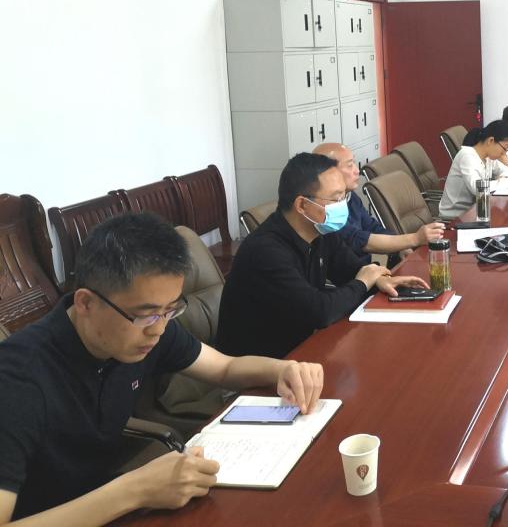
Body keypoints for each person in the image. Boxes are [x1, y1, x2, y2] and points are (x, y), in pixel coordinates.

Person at [0, 212, 325, 525]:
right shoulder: (17, 380)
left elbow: (224, 368)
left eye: (170, 310)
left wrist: (283, 370)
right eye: (147, 314)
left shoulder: (145, 330)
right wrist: (135, 490)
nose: (158, 329)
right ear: (85, 303)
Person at [217, 153, 428, 359]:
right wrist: (364, 282)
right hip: (257, 367)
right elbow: (320, 312)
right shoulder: (265, 251)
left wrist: (380, 281)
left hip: (301, 352)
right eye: (335, 199)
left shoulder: (321, 231)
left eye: (344, 196)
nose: (342, 205)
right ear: (302, 205)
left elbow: (352, 270)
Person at [312, 142, 444, 267]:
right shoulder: (324, 209)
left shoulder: (351, 197)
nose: (357, 171)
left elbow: (372, 227)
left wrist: (399, 247)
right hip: (349, 277)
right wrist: (414, 239)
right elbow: (359, 240)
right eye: (350, 165)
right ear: (328, 173)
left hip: (363, 271)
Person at [439, 120, 508, 219]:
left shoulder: (488, 157)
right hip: (455, 217)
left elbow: (506, 171)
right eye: (505, 147)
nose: (505, 153)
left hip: (478, 210)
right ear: (491, 141)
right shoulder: (467, 156)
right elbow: (478, 188)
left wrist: (503, 179)